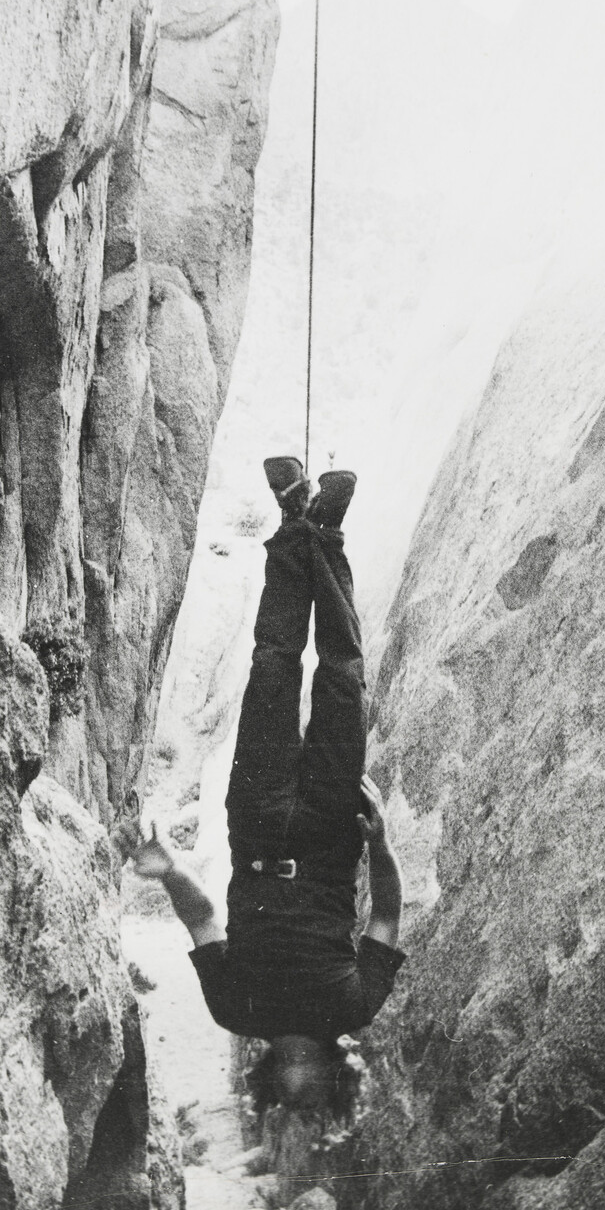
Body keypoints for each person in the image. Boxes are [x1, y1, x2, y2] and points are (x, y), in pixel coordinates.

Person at [132, 457, 406, 1114]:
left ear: (270, 1087)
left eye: (291, 1103)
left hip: (253, 822)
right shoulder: (357, 1005)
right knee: (342, 678)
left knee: (273, 669)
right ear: (336, 1081)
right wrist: (380, 843)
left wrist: (167, 869)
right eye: (314, 1101)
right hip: (329, 836)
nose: (300, 1094)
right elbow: (387, 916)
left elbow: (200, 917)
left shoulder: (234, 1012)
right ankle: (328, 533)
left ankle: (292, 521)